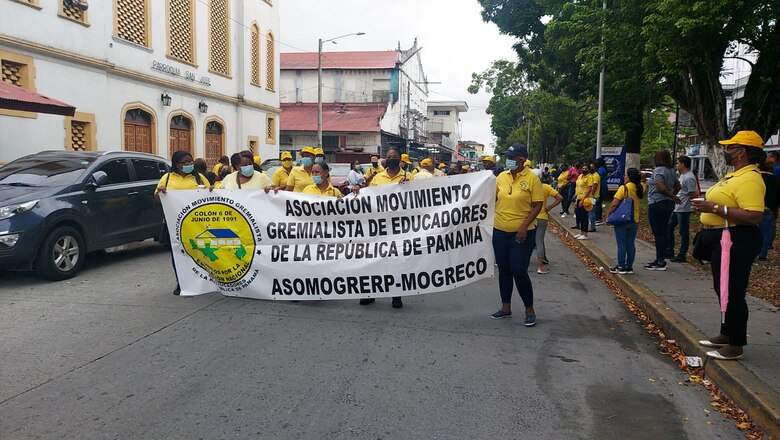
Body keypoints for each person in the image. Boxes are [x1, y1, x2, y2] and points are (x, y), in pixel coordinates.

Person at [693, 130, 766, 360]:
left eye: (730, 147)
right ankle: (726, 333)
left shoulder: (750, 179)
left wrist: (714, 208)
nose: (725, 151)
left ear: (741, 152)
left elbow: (754, 216)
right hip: (722, 239)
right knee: (722, 289)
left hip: (737, 240)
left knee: (733, 292)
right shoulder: (735, 175)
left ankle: (735, 344)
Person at [490, 144, 544, 325]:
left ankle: (529, 309)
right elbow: (492, 197)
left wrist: (523, 226)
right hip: (499, 231)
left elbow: (537, 205)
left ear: (521, 159)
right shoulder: (501, 177)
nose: (508, 160)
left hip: (522, 233)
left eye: (511, 157)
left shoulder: (532, 179)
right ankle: (506, 307)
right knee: (504, 270)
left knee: (519, 270)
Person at [154, 150, 211, 295]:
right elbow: (157, 199)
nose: (188, 165)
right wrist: (160, 193)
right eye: (184, 163)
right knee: (178, 253)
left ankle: (202, 282)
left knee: (200, 252)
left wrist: (210, 190)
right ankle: (182, 282)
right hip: (175, 224)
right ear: (176, 164)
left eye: (190, 161)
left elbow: (212, 196)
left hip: (197, 224)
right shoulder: (167, 178)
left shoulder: (199, 178)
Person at [361, 148, 410, 309]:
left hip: (399, 226)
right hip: (379, 226)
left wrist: (408, 187)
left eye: (394, 157)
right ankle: (370, 293)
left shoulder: (408, 177)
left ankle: (396, 295)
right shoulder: (378, 177)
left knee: (396, 262)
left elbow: (418, 200)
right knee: (374, 260)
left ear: (400, 160)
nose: (391, 159)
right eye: (388, 157)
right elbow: (368, 197)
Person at [645, 150, 681, 271]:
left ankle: (660, 260)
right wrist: (672, 196)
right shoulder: (671, 171)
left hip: (657, 202)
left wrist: (671, 196)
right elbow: (678, 186)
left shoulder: (658, 170)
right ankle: (661, 257)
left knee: (658, 232)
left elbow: (661, 187)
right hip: (668, 204)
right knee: (663, 231)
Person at [606, 168, 645, 274]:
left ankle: (621, 265)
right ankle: (629, 266)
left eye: (626, 175)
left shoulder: (624, 188)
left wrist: (608, 214)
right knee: (631, 243)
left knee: (621, 244)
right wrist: (641, 176)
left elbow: (614, 203)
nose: (624, 177)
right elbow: (643, 180)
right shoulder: (640, 188)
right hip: (634, 219)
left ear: (629, 177)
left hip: (622, 220)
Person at [667, 156, 697, 262]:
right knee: (669, 227)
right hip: (677, 207)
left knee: (683, 231)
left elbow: (692, 193)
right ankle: (669, 250)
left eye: (678, 163)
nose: (676, 165)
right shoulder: (682, 176)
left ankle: (682, 254)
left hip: (684, 208)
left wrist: (694, 207)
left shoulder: (689, 177)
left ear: (683, 164)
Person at [534, 171, 563, 274]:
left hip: (528, 218)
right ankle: (540, 267)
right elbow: (560, 197)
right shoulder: (545, 187)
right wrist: (549, 207)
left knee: (525, 242)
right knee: (539, 242)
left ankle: (521, 264)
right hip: (542, 217)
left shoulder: (527, 187)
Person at [757, 161, 779, 261]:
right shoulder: (775, 180)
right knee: (765, 233)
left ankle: (751, 253)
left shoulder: (755, 179)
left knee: (751, 232)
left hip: (753, 208)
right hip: (768, 209)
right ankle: (762, 254)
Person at [573, 164, 594, 240]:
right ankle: (581, 232)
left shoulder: (589, 177)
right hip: (578, 197)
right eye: (583, 168)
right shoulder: (580, 176)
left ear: (588, 169)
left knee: (584, 216)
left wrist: (582, 200)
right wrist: (576, 199)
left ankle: (585, 234)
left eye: (586, 168)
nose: (584, 169)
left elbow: (589, 189)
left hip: (585, 199)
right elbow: (577, 187)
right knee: (579, 216)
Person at [587, 162, 601, 231]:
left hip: (594, 196)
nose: (591, 169)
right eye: (590, 167)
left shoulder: (596, 176)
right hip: (589, 195)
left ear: (595, 168)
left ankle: (592, 227)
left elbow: (594, 186)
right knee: (589, 211)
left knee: (591, 211)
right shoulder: (590, 175)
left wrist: (591, 195)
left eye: (592, 167)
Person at [594, 158, 608, 225]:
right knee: (598, 204)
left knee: (597, 203)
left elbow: (598, 177)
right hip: (602, 187)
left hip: (601, 188)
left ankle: (598, 219)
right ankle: (598, 218)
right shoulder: (602, 168)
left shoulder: (601, 169)